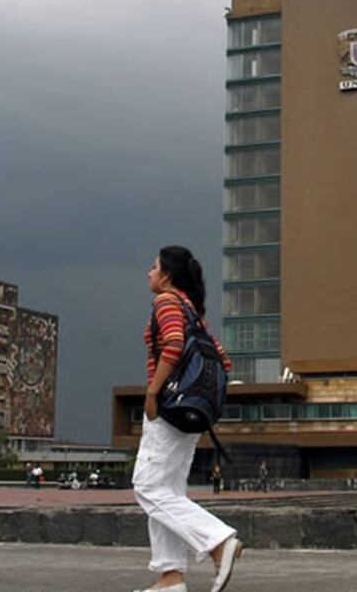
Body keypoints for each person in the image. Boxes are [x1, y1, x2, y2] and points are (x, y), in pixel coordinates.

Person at [132, 246, 242, 592]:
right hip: (190, 414)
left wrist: (153, 391)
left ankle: (218, 542)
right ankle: (170, 579)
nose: (148, 273)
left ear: (167, 275)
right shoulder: (193, 310)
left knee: (148, 487)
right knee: (168, 491)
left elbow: (175, 343)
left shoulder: (166, 302)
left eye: (153, 267)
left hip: (168, 409)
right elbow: (224, 362)